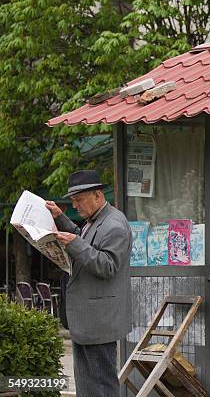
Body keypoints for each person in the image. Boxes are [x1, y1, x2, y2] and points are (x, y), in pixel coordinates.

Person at [45, 170, 132, 397]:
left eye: (78, 200)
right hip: (87, 318)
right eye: (73, 201)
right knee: (86, 384)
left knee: (101, 384)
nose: (75, 206)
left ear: (97, 195)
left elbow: (107, 266)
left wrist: (74, 244)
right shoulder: (95, 220)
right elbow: (84, 240)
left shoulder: (115, 224)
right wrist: (60, 218)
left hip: (99, 320)